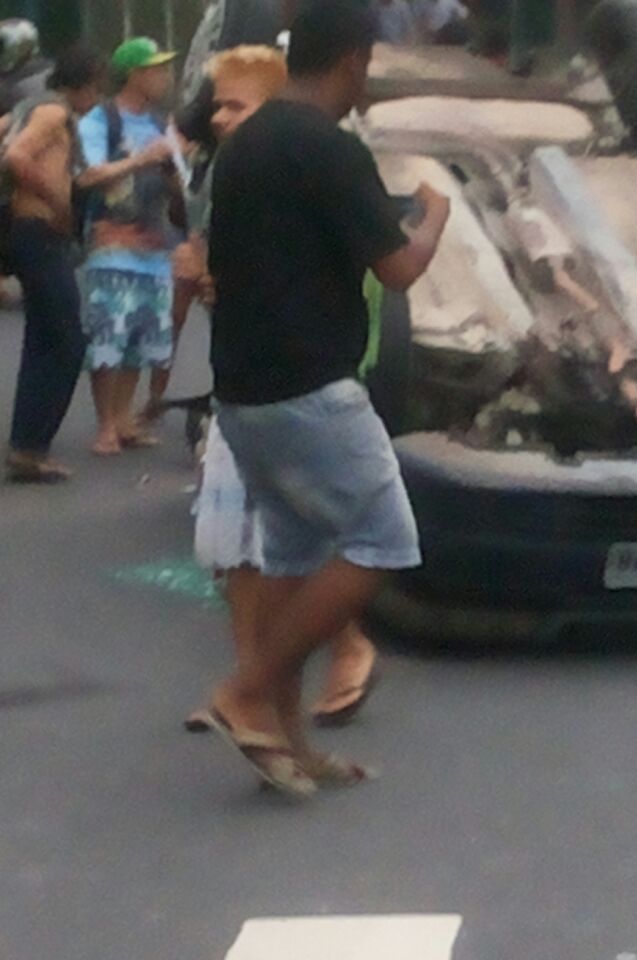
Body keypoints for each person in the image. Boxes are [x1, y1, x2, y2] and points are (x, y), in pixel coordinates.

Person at [205, 0, 451, 798]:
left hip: (243, 392)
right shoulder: (329, 149)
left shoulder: (245, 146)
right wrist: (435, 214)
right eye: (368, 64)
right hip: (313, 389)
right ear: (352, 60)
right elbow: (399, 269)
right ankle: (245, 693)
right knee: (383, 538)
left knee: (296, 558)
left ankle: (287, 738)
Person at [185, 44, 386, 738]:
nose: (219, 118)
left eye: (234, 105)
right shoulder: (233, 172)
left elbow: (373, 276)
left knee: (348, 539)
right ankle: (264, 706)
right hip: (251, 384)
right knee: (250, 549)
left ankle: (267, 683)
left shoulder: (316, 164)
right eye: (216, 104)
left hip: (294, 384)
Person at [77, 37, 183, 457]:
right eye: (155, 69)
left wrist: (176, 170)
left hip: (155, 247)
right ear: (134, 74)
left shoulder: (161, 122)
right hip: (111, 244)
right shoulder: (101, 119)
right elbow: (88, 174)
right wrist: (142, 159)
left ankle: (124, 418)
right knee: (109, 336)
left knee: (142, 336)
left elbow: (180, 187)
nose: (163, 77)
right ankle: (104, 423)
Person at [2, 47, 102, 483]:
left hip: (26, 234)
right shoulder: (53, 112)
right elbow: (17, 156)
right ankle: (30, 446)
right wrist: (58, 202)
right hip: (38, 232)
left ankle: (29, 443)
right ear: (85, 86)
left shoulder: (27, 108)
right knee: (66, 340)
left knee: (44, 335)